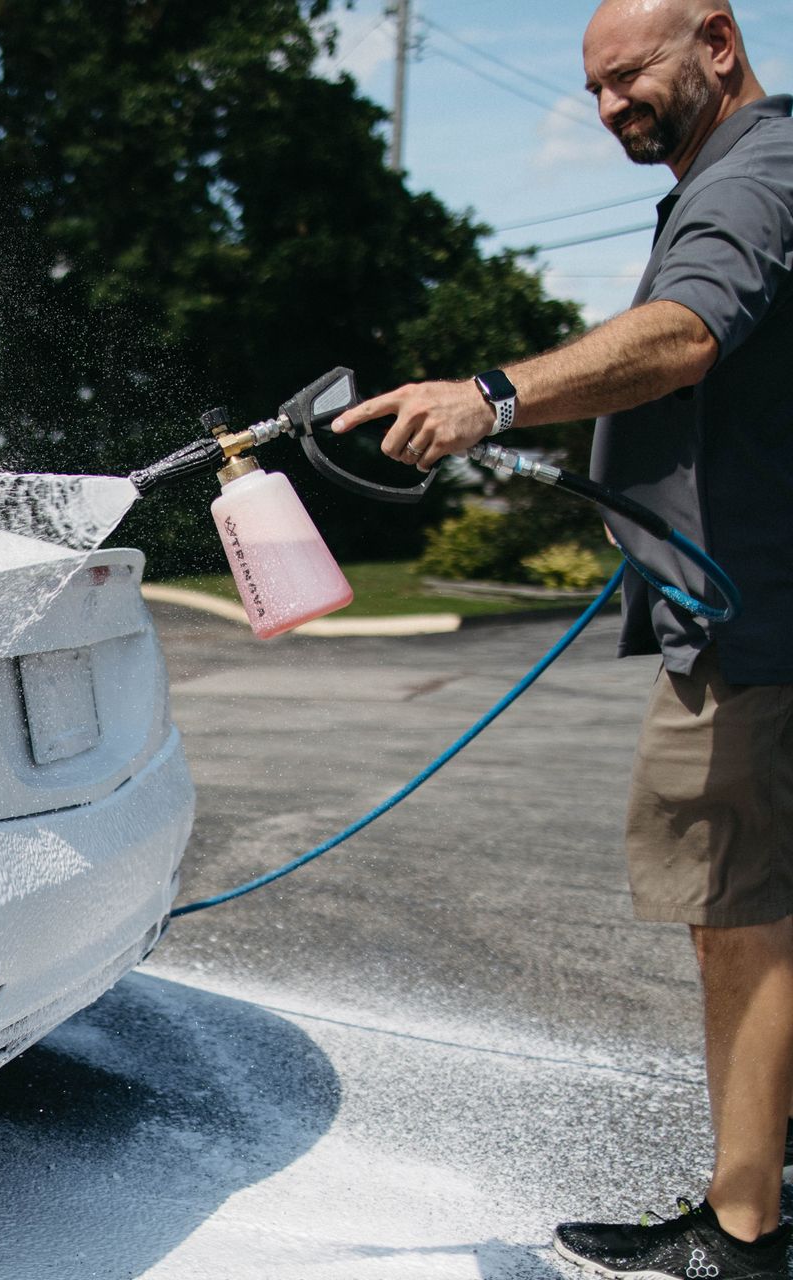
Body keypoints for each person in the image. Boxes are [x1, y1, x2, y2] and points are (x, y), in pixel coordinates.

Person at [332, 2, 793, 1276]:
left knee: (737, 907)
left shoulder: (755, 172)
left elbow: (689, 332)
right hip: (750, 607)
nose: (608, 111)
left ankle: (743, 1233)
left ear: (715, 39)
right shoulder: (749, 170)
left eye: (626, 78)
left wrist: (496, 396)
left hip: (752, 623)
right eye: (591, 92)